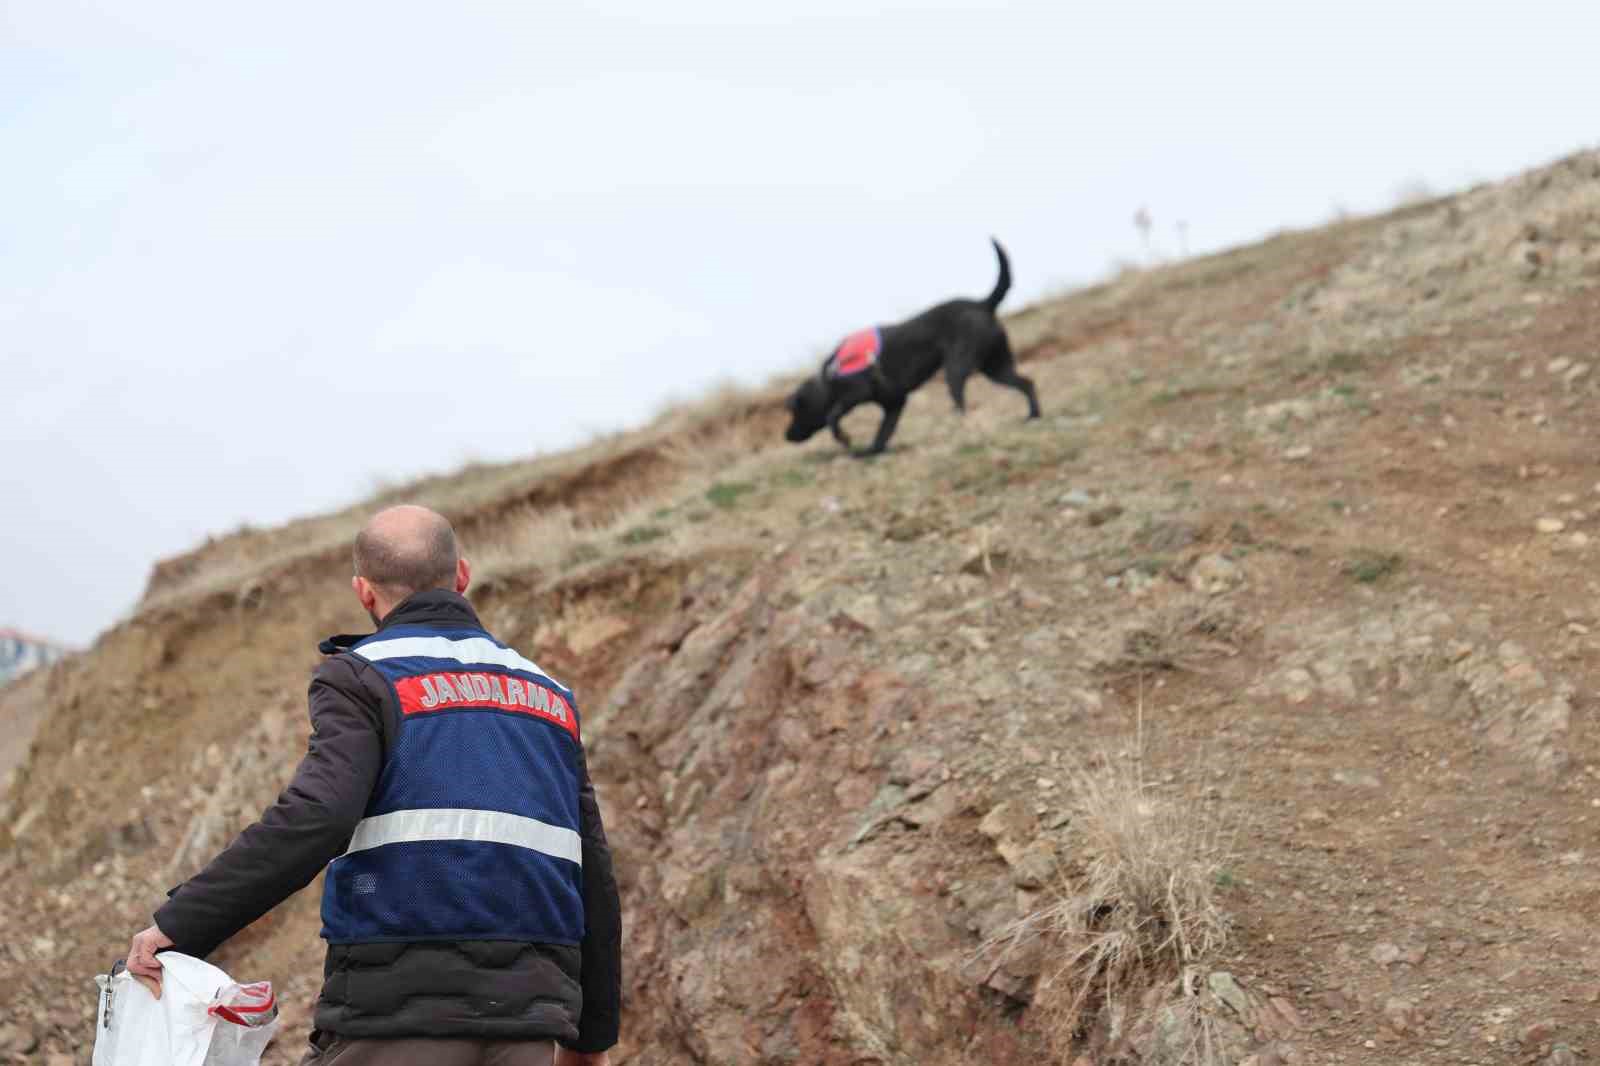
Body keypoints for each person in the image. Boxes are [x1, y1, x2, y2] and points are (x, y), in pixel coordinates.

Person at [125, 504, 621, 1066]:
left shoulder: (362, 675)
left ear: (364, 592)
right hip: (530, 1025)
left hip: (394, 1014)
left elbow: (317, 815)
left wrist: (181, 923)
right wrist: (592, 1036)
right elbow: (592, 868)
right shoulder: (550, 696)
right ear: (462, 575)